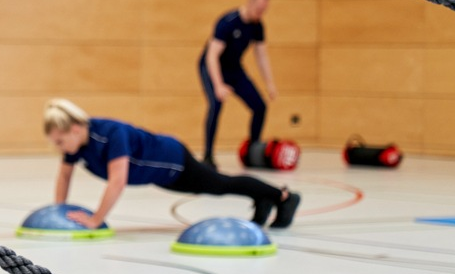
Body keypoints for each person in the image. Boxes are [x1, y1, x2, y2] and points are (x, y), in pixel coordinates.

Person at [43, 98, 299, 230]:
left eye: (60, 141)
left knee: (221, 184)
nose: (59, 148)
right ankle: (264, 198)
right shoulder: (77, 145)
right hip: (160, 176)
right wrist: (58, 211)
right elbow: (64, 176)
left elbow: (117, 181)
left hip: (173, 161)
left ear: (75, 129)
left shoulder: (110, 134)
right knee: (219, 186)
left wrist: (96, 219)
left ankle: (284, 197)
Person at [199, 0, 277, 169]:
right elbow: (212, 56)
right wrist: (218, 85)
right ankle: (208, 156)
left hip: (234, 69)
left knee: (260, 107)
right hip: (212, 67)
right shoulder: (228, 22)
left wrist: (270, 83)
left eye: (264, 10)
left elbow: (261, 56)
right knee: (216, 104)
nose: (260, 13)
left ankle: (253, 151)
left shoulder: (257, 26)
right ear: (250, 2)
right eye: (258, 8)